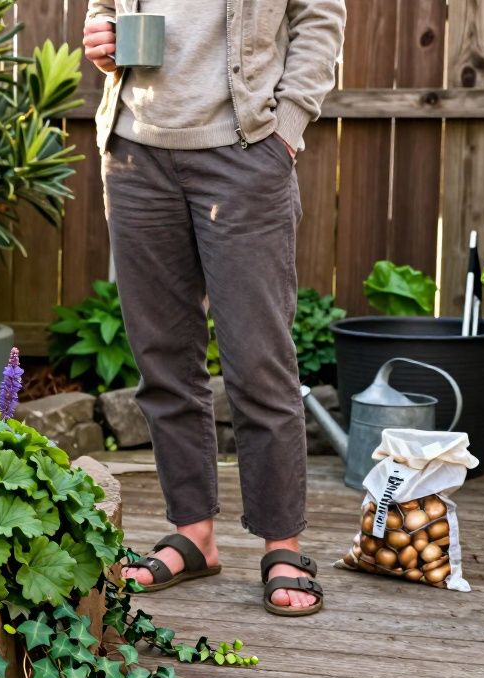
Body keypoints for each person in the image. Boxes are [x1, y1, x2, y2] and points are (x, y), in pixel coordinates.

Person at [83, 0, 345, 616]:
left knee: (258, 361)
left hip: (245, 151)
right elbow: (105, 10)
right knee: (163, 360)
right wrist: (102, 37)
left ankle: (283, 545)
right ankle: (194, 534)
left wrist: (286, 132)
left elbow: (319, 18)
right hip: (135, 153)